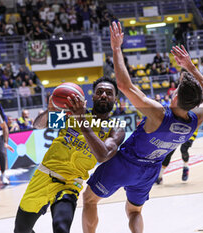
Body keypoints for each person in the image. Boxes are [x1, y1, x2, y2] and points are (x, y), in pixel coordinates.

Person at [82, 22, 203, 233]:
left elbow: (125, 86)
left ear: (176, 96)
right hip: (150, 171)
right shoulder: (195, 120)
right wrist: (190, 67)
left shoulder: (159, 114)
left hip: (125, 164)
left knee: (89, 199)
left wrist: (116, 49)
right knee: (134, 212)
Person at [14, 76, 125, 233]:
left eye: (109, 93)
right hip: (43, 176)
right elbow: (38, 125)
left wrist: (81, 119)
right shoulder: (71, 115)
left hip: (70, 184)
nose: (104, 95)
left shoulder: (115, 129)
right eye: (99, 92)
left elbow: (103, 155)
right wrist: (49, 111)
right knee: (21, 230)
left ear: (115, 98)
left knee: (61, 228)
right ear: (92, 96)